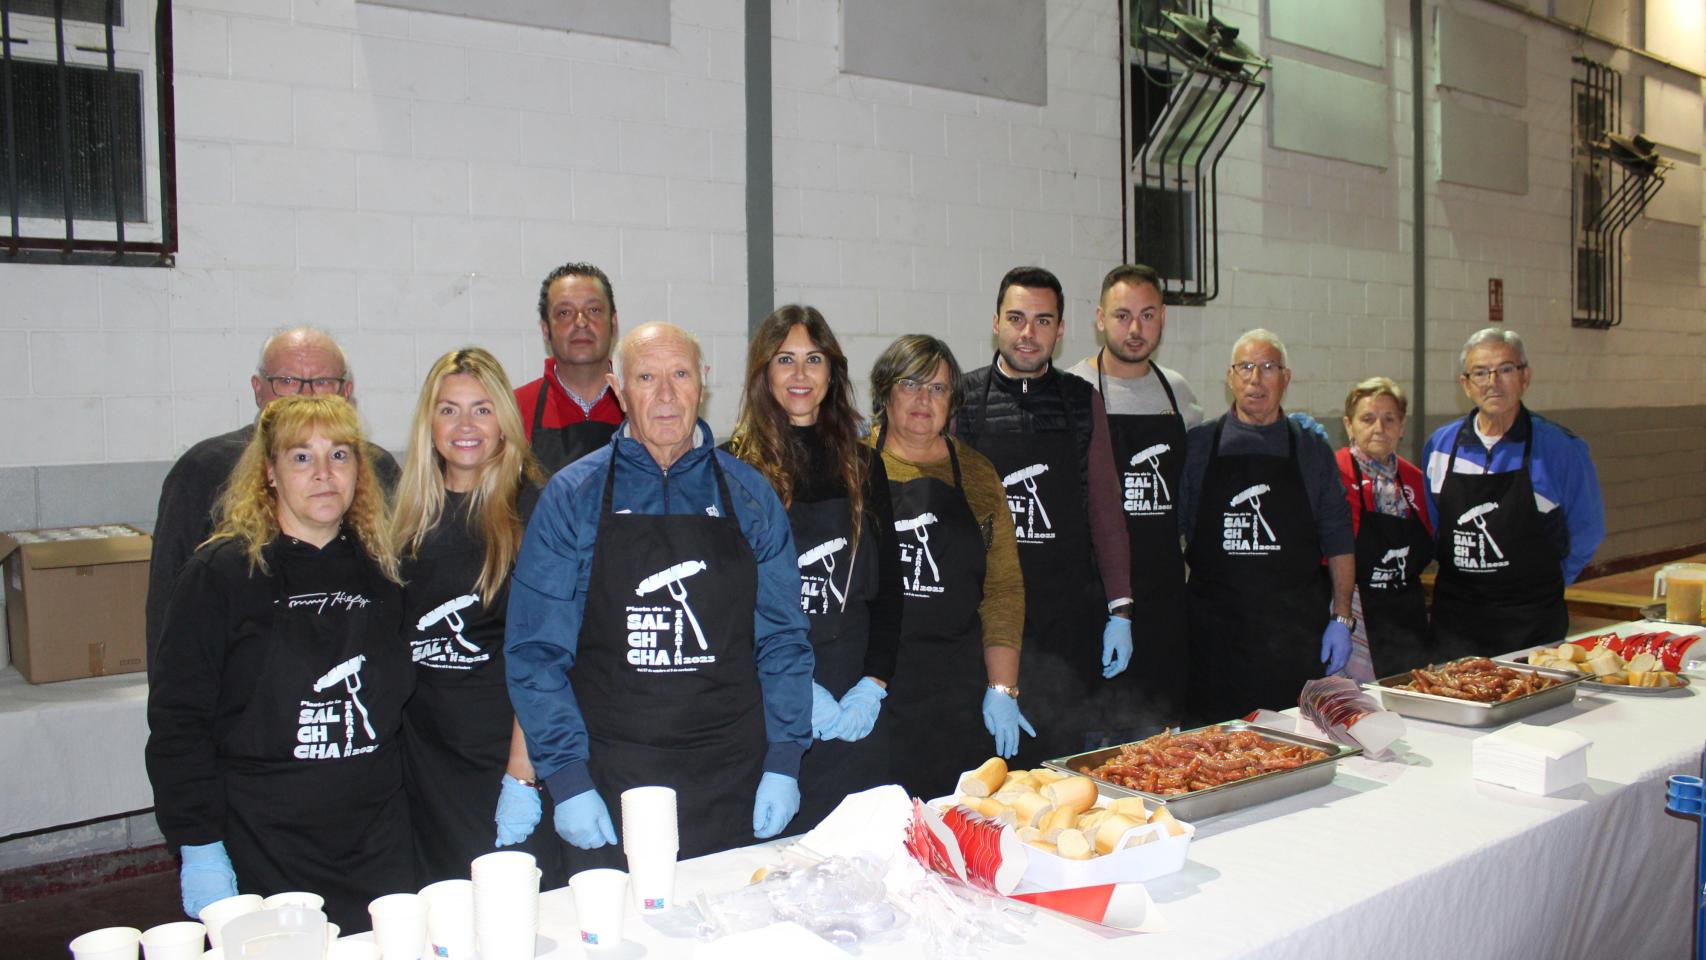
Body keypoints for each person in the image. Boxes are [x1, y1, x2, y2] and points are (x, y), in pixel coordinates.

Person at [506, 322, 813, 864]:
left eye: (680, 374)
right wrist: (568, 778)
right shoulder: (572, 496)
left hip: (732, 774)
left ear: (703, 383)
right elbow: (535, 654)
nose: (666, 395)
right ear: (619, 389)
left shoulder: (748, 495)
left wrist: (785, 759)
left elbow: (784, 639)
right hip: (610, 774)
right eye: (647, 377)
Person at [145, 396, 414, 932]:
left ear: (359, 471)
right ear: (268, 472)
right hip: (263, 840)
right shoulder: (219, 575)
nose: (322, 474)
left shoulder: (388, 570)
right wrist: (198, 843)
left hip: (377, 839)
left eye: (339, 455)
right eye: (300, 457)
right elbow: (178, 722)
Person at [726, 306, 904, 832]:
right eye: (785, 360)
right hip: (771, 699)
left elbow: (891, 590)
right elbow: (730, 606)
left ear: (832, 372)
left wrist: (874, 683)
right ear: (764, 372)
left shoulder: (864, 463)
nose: (800, 375)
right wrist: (796, 690)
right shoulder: (732, 468)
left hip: (855, 699)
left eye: (814, 359)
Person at [391, 348, 565, 885]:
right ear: (429, 422)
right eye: (448, 410)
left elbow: (546, 656)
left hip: (505, 761)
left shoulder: (533, 511)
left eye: (482, 409)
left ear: (505, 423)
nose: (465, 425)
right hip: (424, 763)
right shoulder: (403, 515)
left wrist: (521, 772)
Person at [145, 327, 400, 678]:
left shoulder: (378, 469)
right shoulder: (202, 470)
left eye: (323, 381)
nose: (304, 395)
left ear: (346, 392)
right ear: (257, 389)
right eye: (287, 381)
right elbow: (166, 603)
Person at [954, 266, 1132, 766]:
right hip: (985, 621)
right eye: (1016, 318)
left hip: (1066, 621)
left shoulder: (1081, 401)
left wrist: (1121, 609)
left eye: (1042, 321)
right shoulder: (964, 400)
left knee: (1062, 767)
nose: (1028, 333)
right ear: (996, 323)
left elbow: (1104, 508)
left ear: (1060, 329)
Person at [868, 335, 1030, 797]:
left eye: (938, 389)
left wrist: (1003, 687)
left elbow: (1003, 588)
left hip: (954, 687)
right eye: (910, 384)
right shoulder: (853, 465)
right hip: (874, 689)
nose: (924, 399)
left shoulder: (977, 474)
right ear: (885, 392)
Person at [1178, 329, 1356, 722]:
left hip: (1292, 639)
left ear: (1286, 378)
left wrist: (1341, 617)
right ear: (1230, 377)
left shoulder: (1311, 450)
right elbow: (1170, 535)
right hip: (1214, 642)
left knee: (1293, 752)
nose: (1255, 379)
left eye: (1268, 367)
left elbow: (1339, 536)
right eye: (1245, 367)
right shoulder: (1199, 446)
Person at [1068, 264, 1204, 738]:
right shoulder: (1073, 389)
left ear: (1162, 318)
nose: (1135, 328)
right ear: (1100, 319)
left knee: (1161, 735)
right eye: (1123, 315)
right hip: (1096, 593)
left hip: (1164, 591)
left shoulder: (1178, 392)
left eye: (1147, 315)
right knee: (1098, 735)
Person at [1423, 328, 1604, 660]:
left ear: (1525, 377)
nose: (1493, 381)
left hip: (1531, 624)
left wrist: (1548, 584)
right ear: (1465, 384)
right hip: (1457, 624)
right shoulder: (1439, 447)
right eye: (1480, 372)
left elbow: (1588, 530)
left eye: (1505, 369)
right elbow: (1434, 527)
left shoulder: (1560, 448)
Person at [1336, 377, 1433, 680]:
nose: (1379, 427)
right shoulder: (1332, 472)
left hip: (1406, 616)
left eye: (1389, 418)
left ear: (1402, 426)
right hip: (1352, 614)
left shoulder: (1415, 479)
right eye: (1367, 418)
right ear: (1349, 425)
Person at [514, 261, 625, 473]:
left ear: (613, 324)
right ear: (546, 330)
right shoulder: (513, 411)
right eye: (565, 312)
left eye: (593, 310)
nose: (581, 322)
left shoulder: (645, 405)